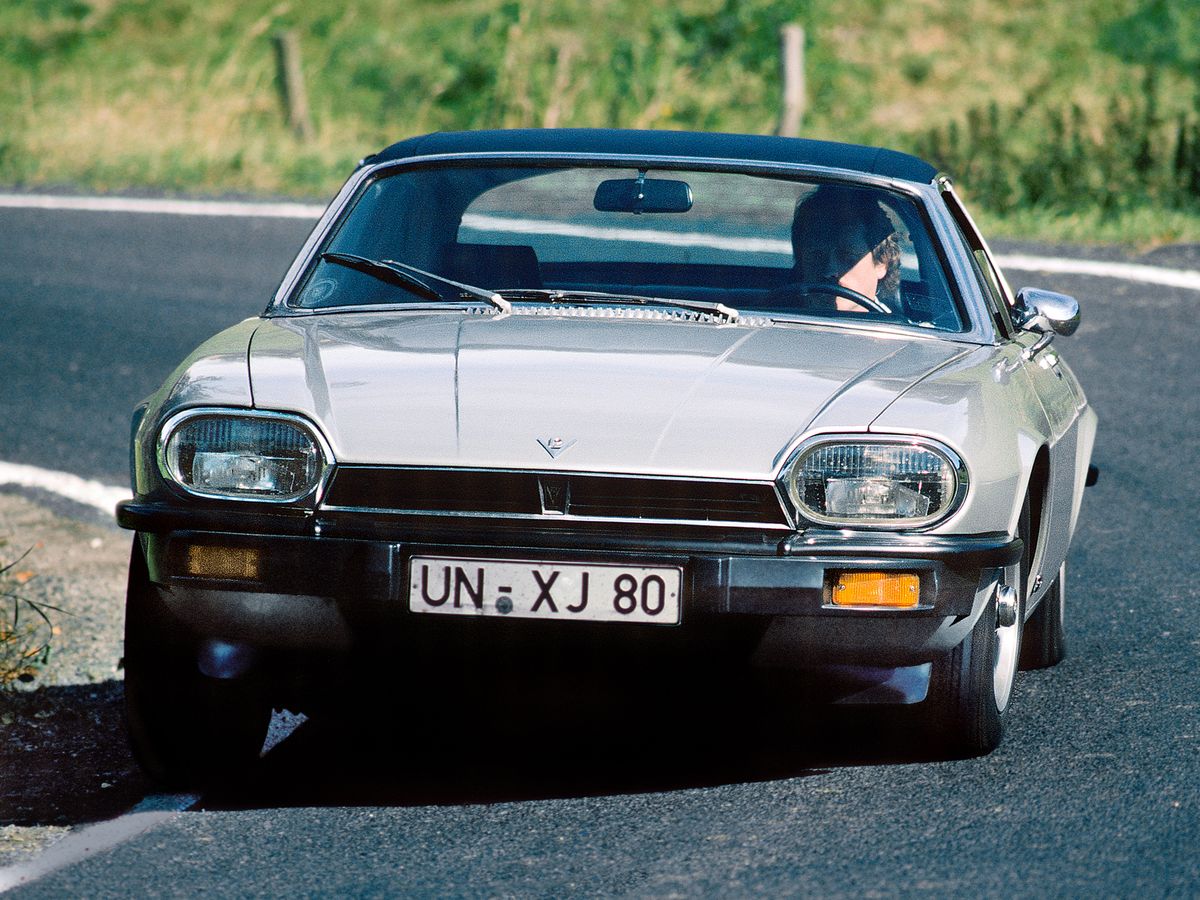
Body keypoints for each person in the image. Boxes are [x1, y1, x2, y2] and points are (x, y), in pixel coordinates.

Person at [768, 184, 902, 313]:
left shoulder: (904, 334)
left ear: (882, 263)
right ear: (801, 262)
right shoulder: (768, 323)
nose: (829, 270)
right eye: (817, 256)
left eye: (848, 257)